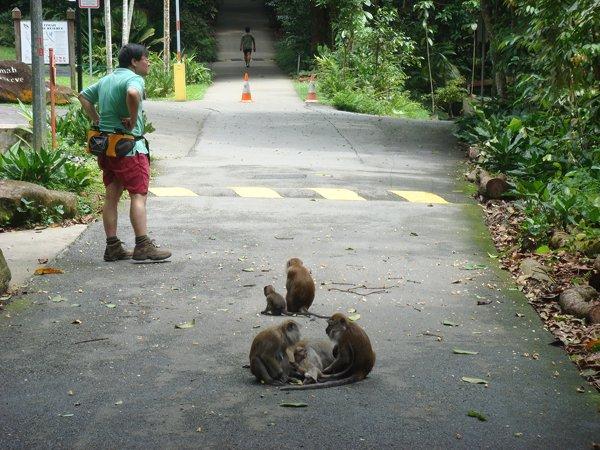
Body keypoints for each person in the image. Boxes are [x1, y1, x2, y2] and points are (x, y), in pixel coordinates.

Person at [78, 43, 171, 262]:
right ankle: (143, 245)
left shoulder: (107, 79)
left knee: (112, 196)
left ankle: (113, 247)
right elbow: (132, 93)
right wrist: (132, 116)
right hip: (129, 148)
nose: (148, 62)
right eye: (145, 58)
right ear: (134, 62)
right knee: (138, 195)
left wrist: (96, 119)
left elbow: (83, 96)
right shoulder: (134, 79)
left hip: (107, 148)